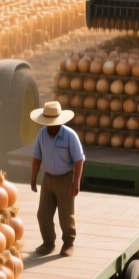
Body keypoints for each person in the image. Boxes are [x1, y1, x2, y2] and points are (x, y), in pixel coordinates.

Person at [28, 101, 84, 257]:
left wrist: (76, 181)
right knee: (43, 214)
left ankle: (68, 243)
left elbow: (79, 159)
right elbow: (36, 158)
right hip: (48, 180)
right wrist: (33, 179)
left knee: (66, 216)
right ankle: (48, 243)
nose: (50, 126)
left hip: (65, 179)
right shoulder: (41, 135)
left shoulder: (69, 136)